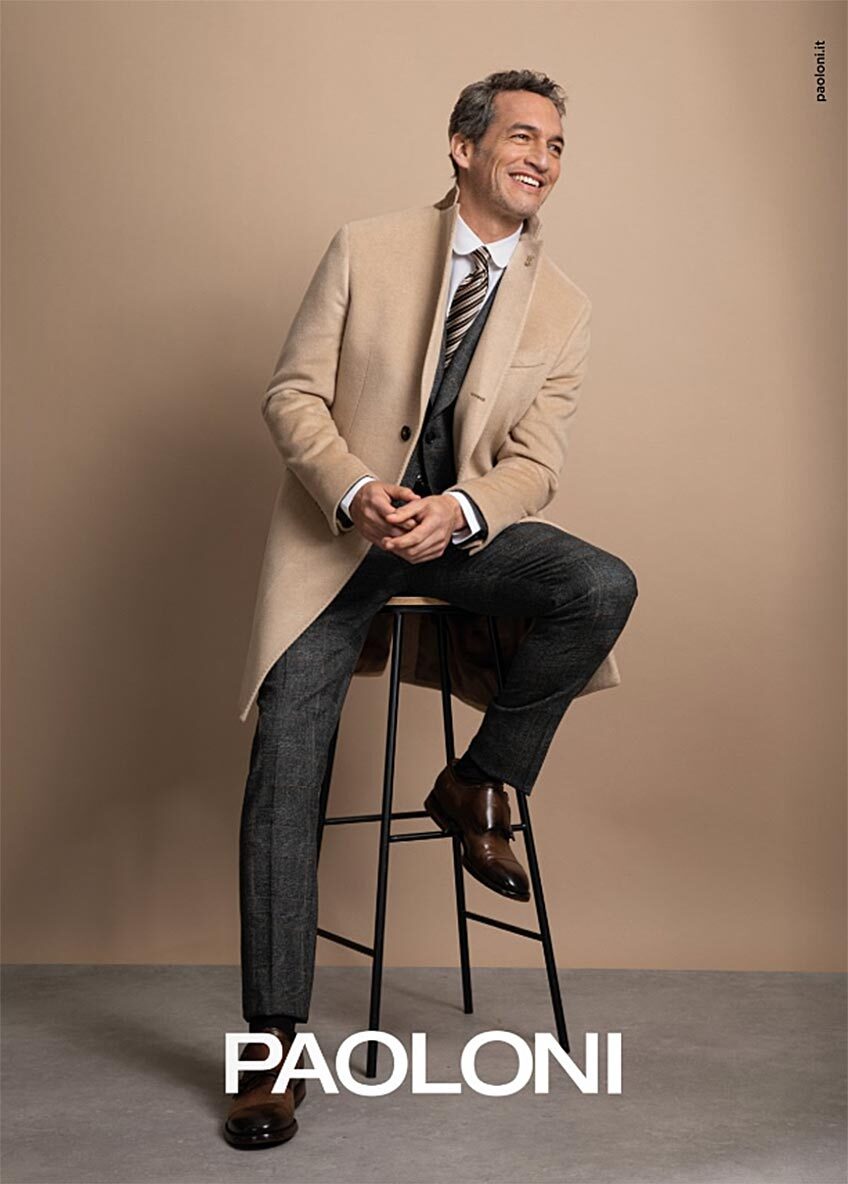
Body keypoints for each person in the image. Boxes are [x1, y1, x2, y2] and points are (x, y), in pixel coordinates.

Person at [224, 68, 638, 1149]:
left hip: (457, 542)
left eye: (556, 144)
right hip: (337, 542)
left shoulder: (565, 306)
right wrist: (357, 489)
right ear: (463, 147)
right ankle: (271, 1048)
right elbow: (291, 393)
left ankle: (477, 779)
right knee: (286, 766)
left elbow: (535, 465)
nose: (542, 158)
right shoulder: (362, 248)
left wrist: (460, 509)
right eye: (523, 137)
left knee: (598, 584)